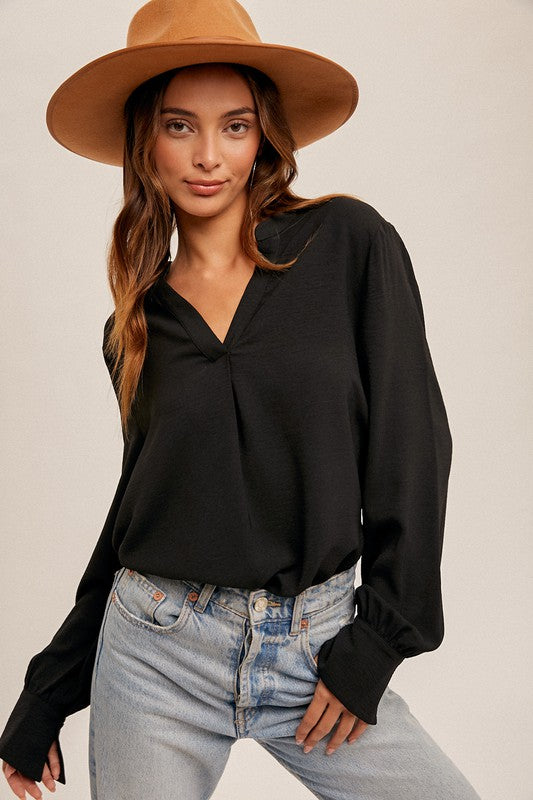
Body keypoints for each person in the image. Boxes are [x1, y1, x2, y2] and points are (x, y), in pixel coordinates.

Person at [0, 1, 482, 798]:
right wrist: (48, 691)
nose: (207, 155)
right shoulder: (135, 327)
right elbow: (139, 512)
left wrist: (376, 642)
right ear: (145, 142)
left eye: (234, 126)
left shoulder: (347, 244)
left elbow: (412, 447)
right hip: (155, 654)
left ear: (262, 138)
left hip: (319, 650)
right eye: (179, 126)